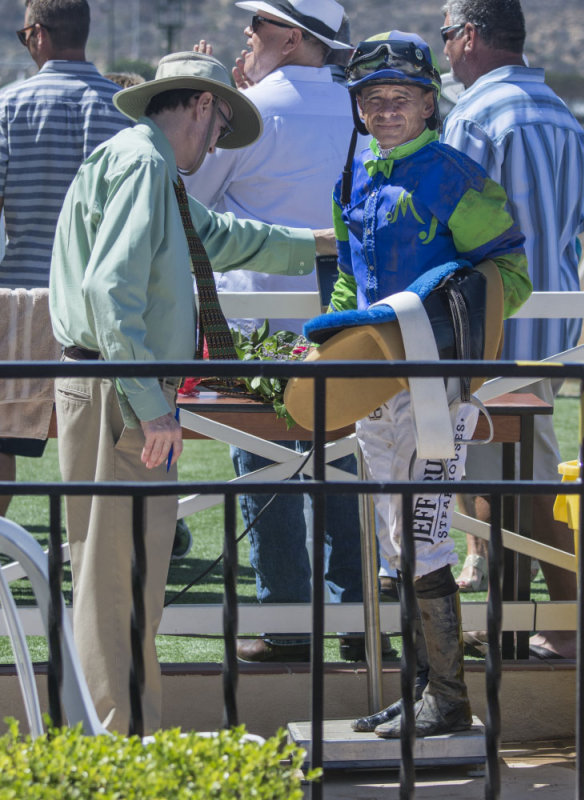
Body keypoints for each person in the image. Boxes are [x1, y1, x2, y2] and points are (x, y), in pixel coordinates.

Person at [49, 50, 334, 734]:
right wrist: (152, 408)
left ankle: (116, 733)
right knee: (118, 582)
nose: (216, 148)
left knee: (118, 578)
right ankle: (119, 742)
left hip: (109, 384)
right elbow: (110, 292)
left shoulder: (148, 168)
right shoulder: (147, 167)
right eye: (221, 126)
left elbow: (226, 239)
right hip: (120, 393)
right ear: (202, 106)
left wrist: (324, 243)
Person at [324, 30, 530, 738]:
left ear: (426, 105)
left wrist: (444, 322)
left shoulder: (455, 177)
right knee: (395, 543)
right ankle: (421, 690)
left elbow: (511, 276)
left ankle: (446, 700)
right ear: (357, 109)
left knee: (424, 540)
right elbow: (350, 276)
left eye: (400, 98)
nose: (385, 110)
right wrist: (338, 336)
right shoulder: (351, 179)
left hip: (435, 391)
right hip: (372, 389)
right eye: (372, 99)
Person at [186, 0, 371, 663]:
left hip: (259, 334)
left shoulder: (251, 110)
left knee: (262, 459)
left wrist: (228, 104)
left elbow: (193, 202)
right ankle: (358, 617)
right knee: (346, 459)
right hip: (345, 330)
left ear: (290, 37)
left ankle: (289, 624)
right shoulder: (361, 109)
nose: (248, 31)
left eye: (258, 23)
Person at [441, 0, 584, 658]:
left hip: (493, 326)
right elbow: (580, 220)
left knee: (517, 479)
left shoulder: (474, 114)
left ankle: (564, 626)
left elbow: (444, 227)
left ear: (469, 36)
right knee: (506, 472)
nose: (444, 49)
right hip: (549, 324)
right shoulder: (559, 113)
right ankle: (519, 625)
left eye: (445, 36)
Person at [0, 0, 129, 516]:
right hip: (104, 314)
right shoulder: (124, 111)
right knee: (106, 451)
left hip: (20, 309)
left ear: (36, 35)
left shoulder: (8, 108)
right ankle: (104, 566)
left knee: (1, 441)